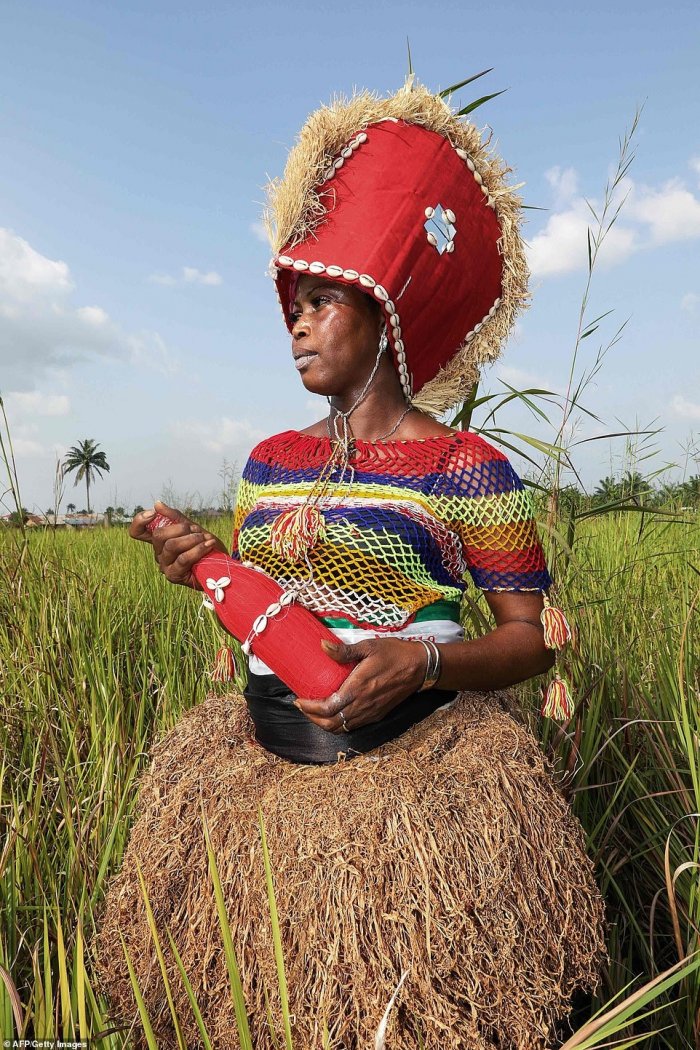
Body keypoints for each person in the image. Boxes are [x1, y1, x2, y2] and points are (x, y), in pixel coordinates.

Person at [96, 82, 605, 1049]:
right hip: (265, 764)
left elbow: (528, 644)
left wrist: (422, 664)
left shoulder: (468, 469)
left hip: (421, 774)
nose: (296, 322)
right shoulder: (268, 465)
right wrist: (202, 566)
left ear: (382, 311)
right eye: (294, 303)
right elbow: (267, 619)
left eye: (321, 299)